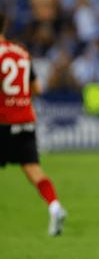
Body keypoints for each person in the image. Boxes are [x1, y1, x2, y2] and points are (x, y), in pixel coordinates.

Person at [0, 12, 67, 236]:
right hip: (25, 119)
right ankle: (55, 206)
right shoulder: (21, 53)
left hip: (3, 121)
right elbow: (37, 89)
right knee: (33, 169)